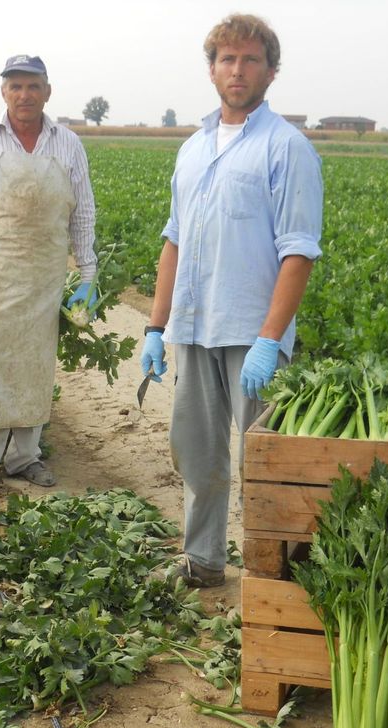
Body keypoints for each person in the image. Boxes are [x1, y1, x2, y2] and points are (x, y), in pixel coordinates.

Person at [141, 15, 324, 587]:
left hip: (251, 334)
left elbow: (299, 252)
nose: (237, 70)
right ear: (212, 69)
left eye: (249, 59)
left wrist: (270, 340)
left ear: (271, 70)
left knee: (267, 462)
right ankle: (203, 562)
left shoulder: (287, 148)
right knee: (196, 454)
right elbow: (174, 240)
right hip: (194, 328)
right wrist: (155, 326)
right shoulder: (192, 150)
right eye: (226, 59)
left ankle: (277, 577)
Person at [0, 54, 98, 493]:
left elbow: (82, 213)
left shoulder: (67, 143)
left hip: (46, 274)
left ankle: (24, 457)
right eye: (15, 86)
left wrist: (88, 273)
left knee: (35, 366)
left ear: (48, 91)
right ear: (3, 92)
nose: (24, 95)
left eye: (33, 86)